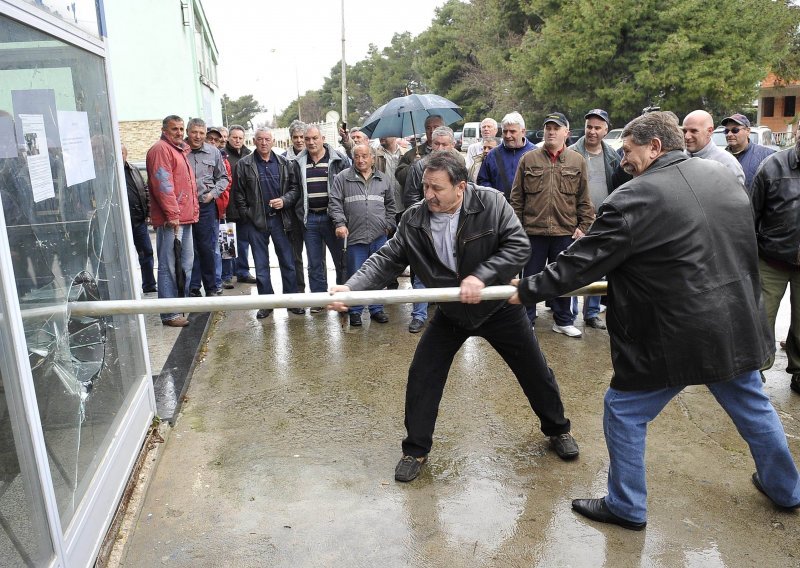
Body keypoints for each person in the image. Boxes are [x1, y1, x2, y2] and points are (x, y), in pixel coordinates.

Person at [511, 111, 800, 531]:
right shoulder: (724, 177)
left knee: (623, 410)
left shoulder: (633, 199)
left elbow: (584, 261)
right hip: (736, 322)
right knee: (755, 407)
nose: (623, 160)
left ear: (655, 147)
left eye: (628, 151)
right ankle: (787, 489)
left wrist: (529, 288)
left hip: (675, 333)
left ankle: (626, 506)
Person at [328, 152, 578, 482]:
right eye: (424, 186)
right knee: (423, 375)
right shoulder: (414, 218)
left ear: (460, 187)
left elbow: (518, 246)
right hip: (451, 309)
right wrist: (352, 288)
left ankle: (558, 429)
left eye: (436, 188)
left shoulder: (491, 203)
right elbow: (386, 259)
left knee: (534, 370)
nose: (427, 194)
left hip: (497, 306)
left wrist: (483, 276)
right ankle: (415, 449)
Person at [510, 112, 594, 337]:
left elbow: (584, 198)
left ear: (566, 132)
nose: (551, 131)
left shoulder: (577, 161)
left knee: (563, 278)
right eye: (548, 127)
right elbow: (516, 198)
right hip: (533, 231)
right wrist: (518, 228)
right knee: (530, 278)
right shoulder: (528, 159)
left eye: (556, 128)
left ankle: (563, 320)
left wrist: (584, 226)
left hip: (564, 231)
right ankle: (527, 320)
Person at [750, 127, 800, 396]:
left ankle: (799, 371)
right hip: (771, 259)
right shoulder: (773, 166)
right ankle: (756, 370)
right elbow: (751, 211)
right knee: (761, 317)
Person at [234, 128, 304, 319]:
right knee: (261, 265)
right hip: (256, 222)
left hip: (281, 221)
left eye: (267, 139)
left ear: (273, 141)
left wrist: (285, 200)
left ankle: (292, 302)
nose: (264, 143)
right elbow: (238, 194)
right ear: (254, 141)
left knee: (288, 263)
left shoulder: (284, 163)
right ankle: (266, 303)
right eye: (260, 139)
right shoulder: (244, 164)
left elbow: (295, 189)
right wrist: (248, 214)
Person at [402, 126, 465, 334]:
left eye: (444, 144)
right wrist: (426, 212)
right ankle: (419, 316)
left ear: (452, 144)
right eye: (435, 144)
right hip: (427, 228)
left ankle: (457, 316)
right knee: (422, 273)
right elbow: (410, 195)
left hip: (454, 230)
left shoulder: (461, 166)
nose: (439, 148)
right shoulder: (420, 165)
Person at [329, 143, 396, 326]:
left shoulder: (383, 179)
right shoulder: (343, 178)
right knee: (355, 274)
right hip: (354, 236)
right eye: (357, 156)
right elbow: (334, 203)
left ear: (372, 158)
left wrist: (388, 225)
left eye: (365, 156)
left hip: (378, 236)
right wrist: (340, 223)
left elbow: (391, 205)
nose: (361, 160)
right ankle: (355, 311)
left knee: (378, 274)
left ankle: (376, 309)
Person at [285, 125, 350, 309]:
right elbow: (295, 189)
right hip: (310, 220)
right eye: (308, 139)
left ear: (322, 138)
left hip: (333, 220)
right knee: (314, 265)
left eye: (315, 138)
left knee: (341, 262)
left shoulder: (338, 159)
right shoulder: (298, 163)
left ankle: (341, 300)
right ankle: (319, 301)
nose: (311, 142)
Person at [568, 108, 620, 330]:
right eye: (589, 126)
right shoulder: (571, 152)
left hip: (602, 219)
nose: (592, 131)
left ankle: (591, 313)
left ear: (605, 130)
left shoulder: (613, 157)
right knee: (572, 265)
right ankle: (567, 315)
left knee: (600, 266)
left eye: (597, 128)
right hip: (575, 220)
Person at [146, 114, 199, 327]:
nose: (179, 132)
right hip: (172, 220)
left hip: (184, 218)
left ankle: (180, 306)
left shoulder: (178, 150)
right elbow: (163, 185)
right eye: (174, 129)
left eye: (181, 128)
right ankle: (170, 313)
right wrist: (173, 214)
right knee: (169, 266)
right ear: (164, 130)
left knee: (185, 264)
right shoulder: (161, 150)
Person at [185, 118, 229, 298]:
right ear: (188, 132)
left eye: (201, 133)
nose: (198, 136)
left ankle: (211, 287)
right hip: (185, 207)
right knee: (188, 249)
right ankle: (192, 287)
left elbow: (223, 178)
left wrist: (213, 194)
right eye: (194, 132)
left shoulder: (213, 152)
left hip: (205, 206)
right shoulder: (180, 151)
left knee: (207, 248)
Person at [224, 124, 257, 285]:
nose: (237, 140)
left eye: (240, 138)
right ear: (228, 138)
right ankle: (228, 275)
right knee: (228, 242)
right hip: (228, 207)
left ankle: (243, 272)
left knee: (244, 243)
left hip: (244, 208)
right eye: (234, 137)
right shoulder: (222, 156)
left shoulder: (249, 155)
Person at [477, 112, 536, 200]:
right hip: (499, 209)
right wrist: (492, 194)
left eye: (512, 131)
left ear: (523, 132)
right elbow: (482, 180)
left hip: (528, 209)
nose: (508, 136)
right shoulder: (493, 155)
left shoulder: (535, 153)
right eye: (505, 131)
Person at [122, 144, 156, 294]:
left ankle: (149, 285)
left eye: (121, 152)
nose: (119, 155)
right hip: (120, 223)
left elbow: (145, 190)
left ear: (126, 153)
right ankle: (125, 289)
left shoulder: (133, 170)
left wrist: (148, 211)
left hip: (138, 220)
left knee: (146, 252)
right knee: (123, 257)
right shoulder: (106, 172)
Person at [682, 110, 745, 186]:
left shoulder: (727, 163)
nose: (687, 136)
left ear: (709, 131)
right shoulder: (678, 159)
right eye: (685, 131)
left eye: (694, 131)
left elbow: (738, 196)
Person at [205, 126, 234, 290]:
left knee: (226, 244)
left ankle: (227, 276)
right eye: (212, 139)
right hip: (212, 208)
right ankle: (218, 279)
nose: (217, 142)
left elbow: (226, 184)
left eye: (221, 138)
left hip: (225, 207)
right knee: (216, 246)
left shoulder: (224, 159)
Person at [283, 120, 309, 291]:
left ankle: (319, 295)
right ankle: (298, 291)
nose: (299, 140)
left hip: (310, 213)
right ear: (291, 138)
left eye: (302, 137)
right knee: (294, 256)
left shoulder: (313, 155)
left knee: (316, 258)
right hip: (291, 215)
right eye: (296, 137)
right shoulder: (283, 159)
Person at [723, 113, 776, 189]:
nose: (729, 134)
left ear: (747, 131)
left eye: (735, 130)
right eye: (726, 131)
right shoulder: (721, 157)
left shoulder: (767, 156)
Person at [395, 114, 445, 188]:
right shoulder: (411, 154)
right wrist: (414, 165)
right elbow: (400, 178)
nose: (432, 131)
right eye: (428, 128)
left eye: (436, 127)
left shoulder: (453, 153)